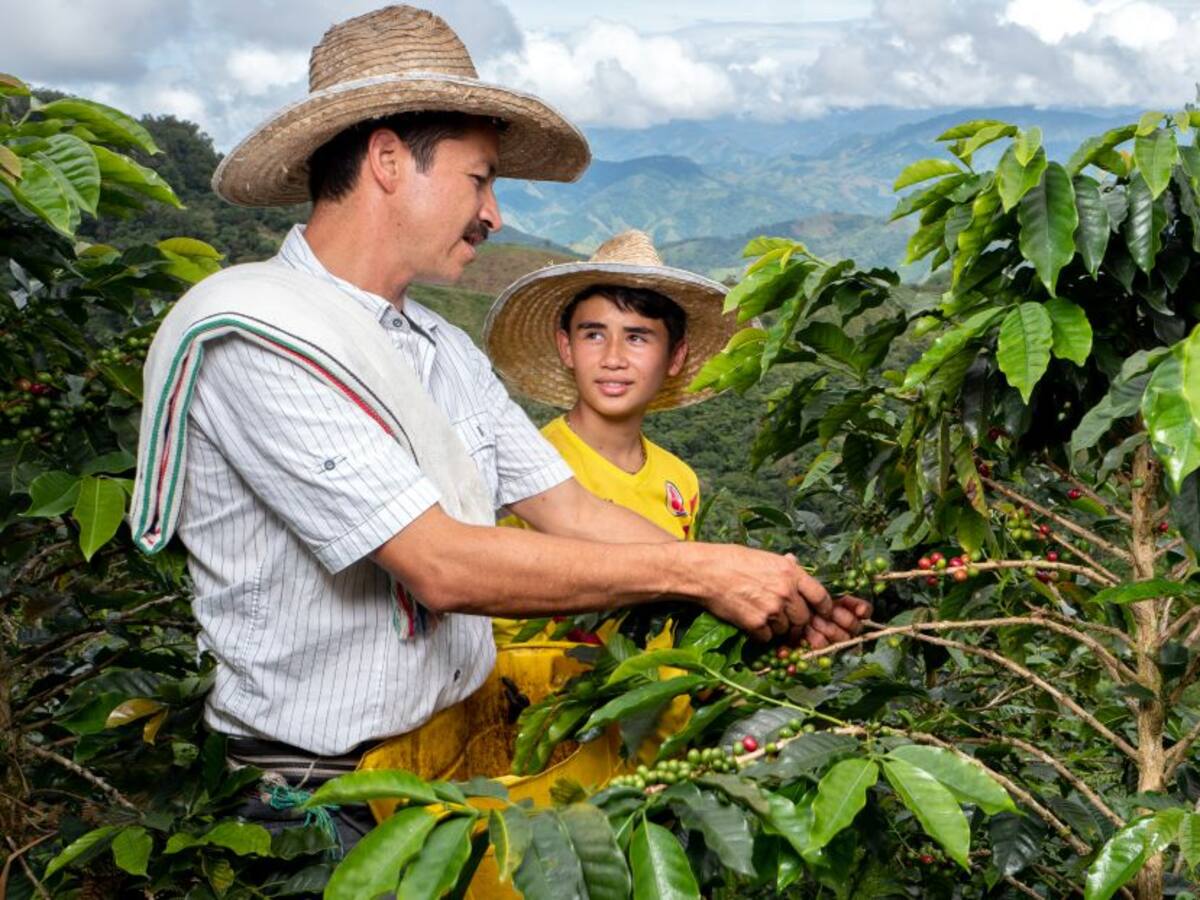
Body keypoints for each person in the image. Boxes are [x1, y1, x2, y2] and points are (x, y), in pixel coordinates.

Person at [130, 5, 871, 850]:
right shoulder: (258, 336)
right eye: (479, 178)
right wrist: (705, 572)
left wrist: (774, 594)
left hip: (445, 769)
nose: (493, 213)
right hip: (316, 798)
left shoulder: (442, 349)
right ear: (384, 161)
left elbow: (572, 510)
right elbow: (439, 565)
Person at [485, 229, 734, 643]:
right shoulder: (528, 465)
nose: (613, 358)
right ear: (566, 347)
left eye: (637, 337)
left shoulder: (680, 479)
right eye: (594, 334)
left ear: (676, 356)